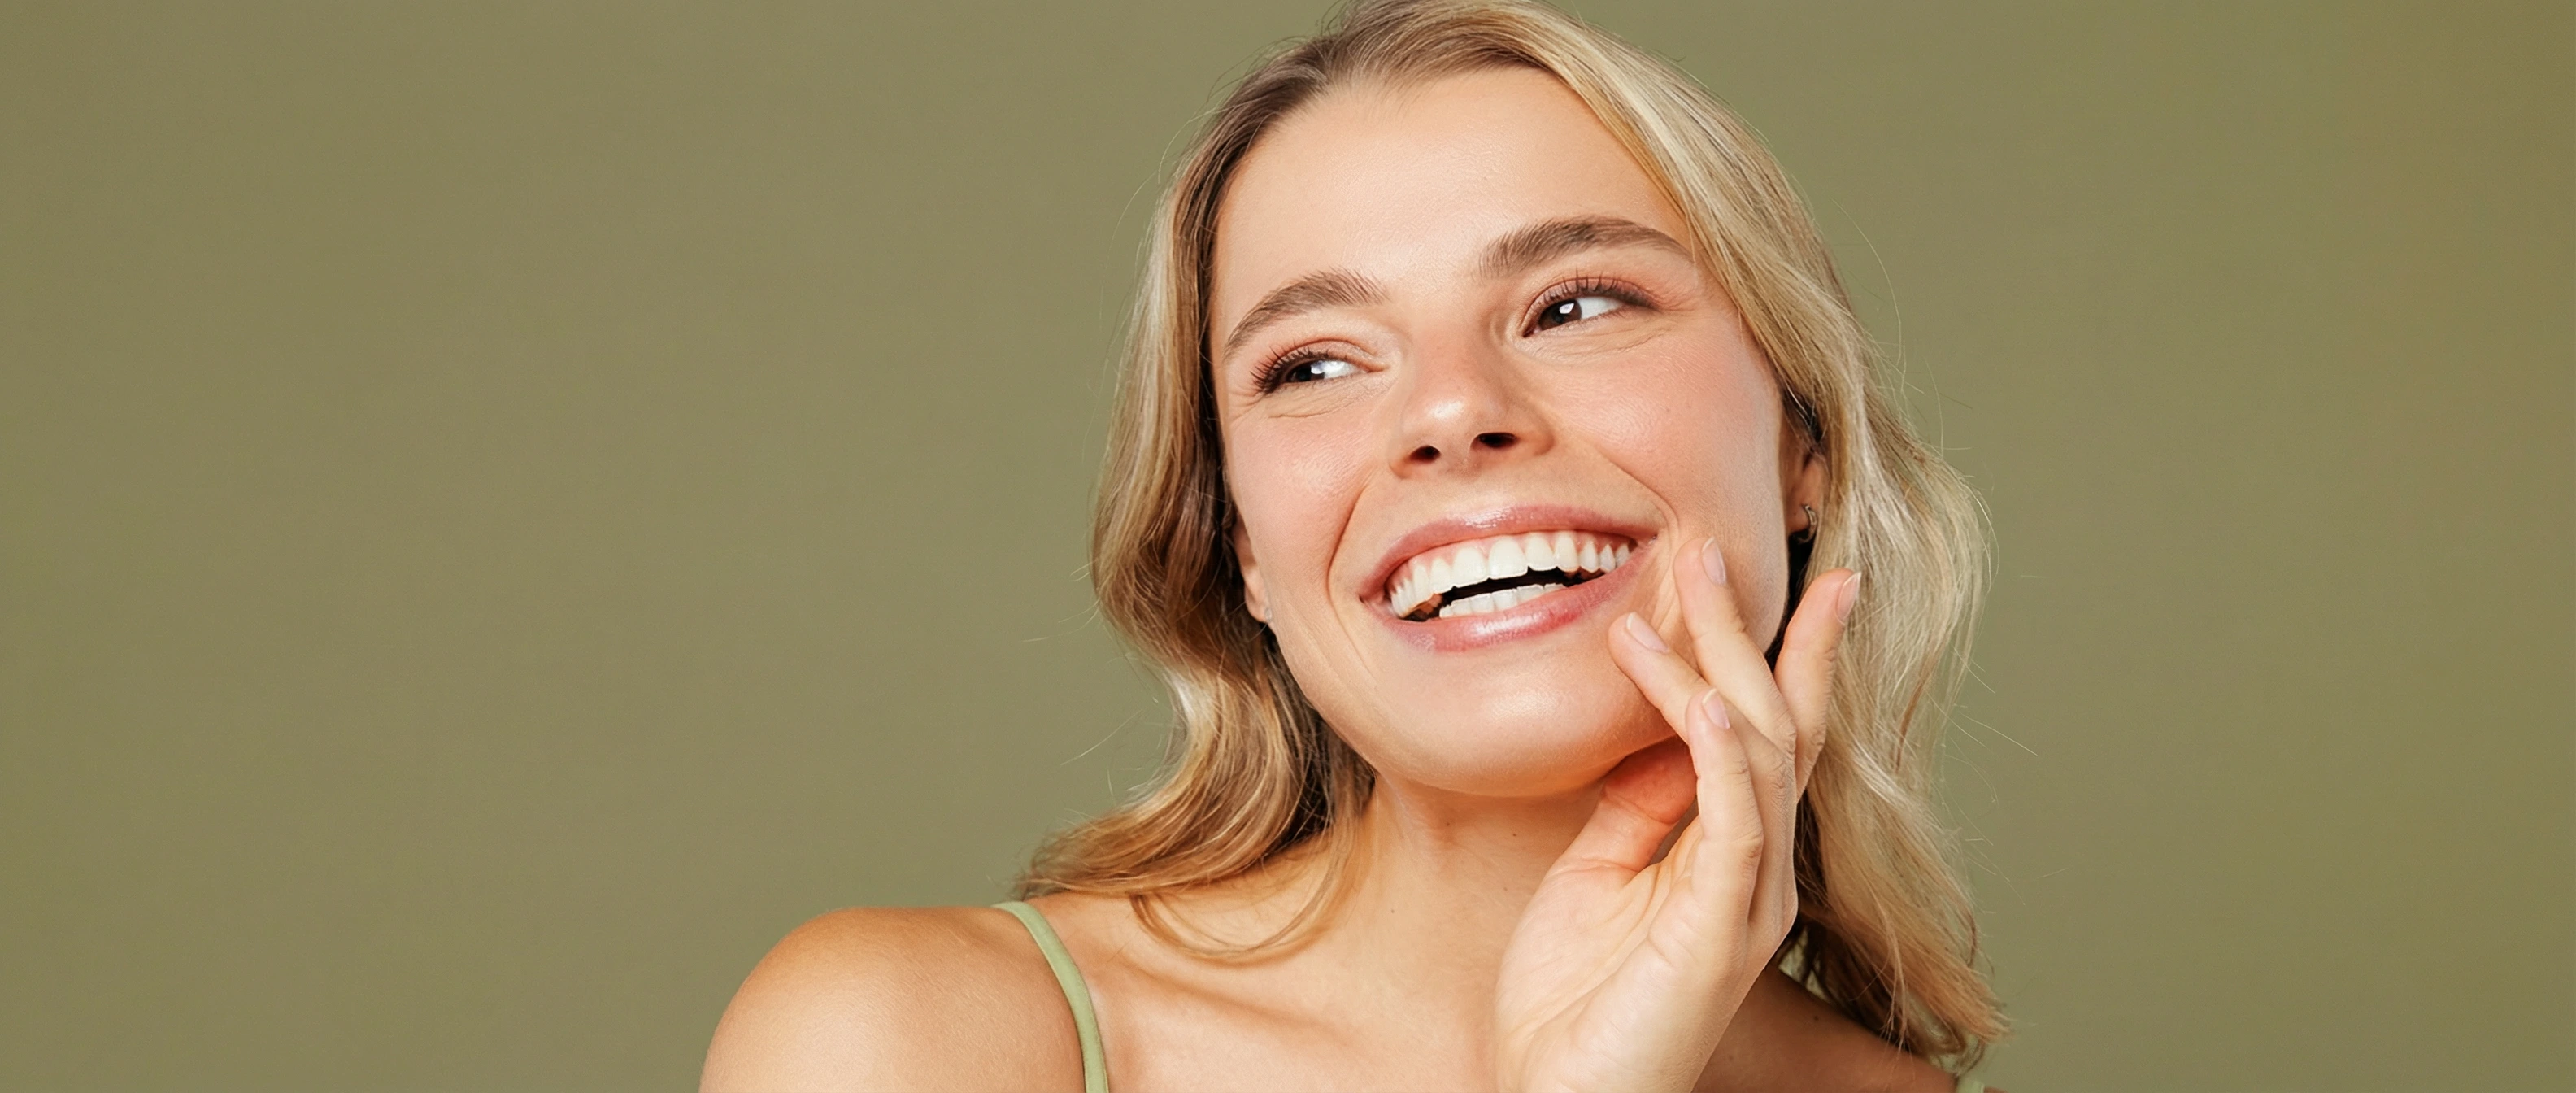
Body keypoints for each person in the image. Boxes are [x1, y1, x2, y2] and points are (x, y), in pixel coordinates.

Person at [703, 0, 2006, 1088]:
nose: (1449, 411)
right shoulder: (910, 1041)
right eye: (1314, 362)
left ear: (1800, 440)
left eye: (1575, 303)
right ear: (1244, 551)